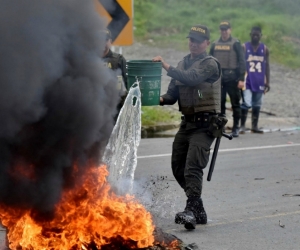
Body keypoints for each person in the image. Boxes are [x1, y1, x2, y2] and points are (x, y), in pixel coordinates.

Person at [152, 24, 222, 230]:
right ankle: (197, 206)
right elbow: (172, 95)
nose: (193, 44)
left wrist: (165, 65)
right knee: (177, 166)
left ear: (207, 43)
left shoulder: (210, 64)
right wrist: (158, 98)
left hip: (205, 125)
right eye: (191, 40)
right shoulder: (183, 63)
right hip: (187, 123)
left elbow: (192, 79)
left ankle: (191, 209)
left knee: (193, 166)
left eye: (198, 41)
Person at [209, 21, 246, 137]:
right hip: (219, 78)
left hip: (233, 78)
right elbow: (209, 61)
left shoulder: (236, 43)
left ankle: (236, 128)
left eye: (226, 29)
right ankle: (221, 128)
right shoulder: (215, 44)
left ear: (230, 30)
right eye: (222, 29)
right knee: (220, 105)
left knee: (235, 105)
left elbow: (242, 61)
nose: (224, 32)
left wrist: (241, 79)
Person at [240, 26, 270, 134]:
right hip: (247, 80)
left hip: (260, 80)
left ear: (260, 36)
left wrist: (268, 82)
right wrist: (239, 78)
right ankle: (242, 125)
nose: (255, 36)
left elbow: (267, 66)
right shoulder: (244, 47)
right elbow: (240, 64)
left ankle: (254, 126)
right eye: (253, 34)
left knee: (257, 104)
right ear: (250, 35)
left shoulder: (265, 49)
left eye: (257, 34)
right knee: (246, 103)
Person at [102, 28, 128, 121]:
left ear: (110, 42)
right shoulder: (90, 59)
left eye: (106, 40)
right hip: (95, 103)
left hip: (114, 103)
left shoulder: (118, 59)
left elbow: (127, 81)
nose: (103, 43)